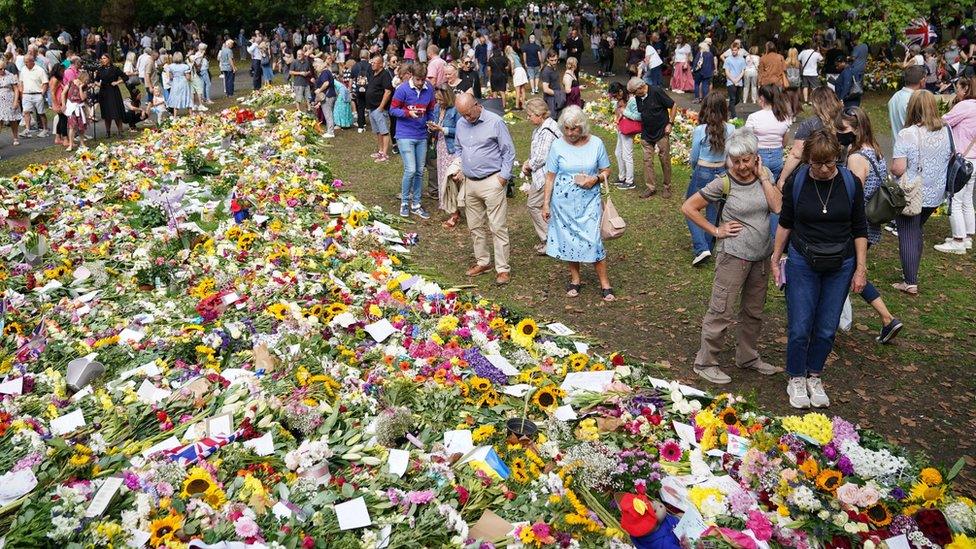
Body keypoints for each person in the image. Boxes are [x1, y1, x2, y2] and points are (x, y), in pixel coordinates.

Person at [772, 129, 868, 409]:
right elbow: (786, 222)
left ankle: (814, 374)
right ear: (807, 160)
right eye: (817, 164)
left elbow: (859, 228)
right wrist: (776, 257)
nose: (824, 169)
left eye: (830, 163)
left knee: (827, 327)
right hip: (803, 260)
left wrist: (860, 268)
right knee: (801, 324)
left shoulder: (850, 183)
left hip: (841, 263)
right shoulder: (797, 182)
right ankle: (796, 376)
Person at [682, 128, 783, 384]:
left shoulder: (765, 175)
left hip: (760, 256)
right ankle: (705, 362)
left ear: (755, 156)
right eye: (735, 161)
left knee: (753, 311)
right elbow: (689, 207)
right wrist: (716, 230)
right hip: (733, 257)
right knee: (721, 310)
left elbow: (777, 206)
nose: (741, 166)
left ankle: (747, 357)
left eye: (746, 160)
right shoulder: (723, 182)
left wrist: (763, 178)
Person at [835, 107, 904, 342]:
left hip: (857, 227)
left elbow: (853, 196)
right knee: (850, 272)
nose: (838, 133)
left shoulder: (856, 158)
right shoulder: (875, 151)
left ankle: (887, 318)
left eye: (842, 129)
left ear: (856, 129)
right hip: (870, 225)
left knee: (849, 272)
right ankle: (885, 320)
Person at [540, 105, 615, 301]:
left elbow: (606, 170)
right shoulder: (557, 145)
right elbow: (550, 177)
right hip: (563, 204)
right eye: (566, 128)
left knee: (593, 241)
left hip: (589, 201)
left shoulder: (596, 143)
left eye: (574, 128)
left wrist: (596, 179)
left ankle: (605, 283)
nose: (570, 133)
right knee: (569, 240)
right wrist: (546, 203)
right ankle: (575, 279)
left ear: (582, 126)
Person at [890, 90, 951, 295]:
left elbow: (898, 168)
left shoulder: (907, 134)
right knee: (916, 231)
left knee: (907, 233)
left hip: (912, 192)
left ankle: (910, 281)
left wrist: (891, 170)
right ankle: (911, 274)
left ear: (912, 108)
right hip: (935, 192)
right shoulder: (946, 129)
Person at [452, 93, 516, 285]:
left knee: (497, 226)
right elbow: (458, 147)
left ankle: (503, 269)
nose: (466, 118)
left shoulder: (495, 122)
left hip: (492, 181)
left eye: (468, 114)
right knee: (474, 226)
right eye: (462, 115)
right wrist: (460, 166)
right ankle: (483, 262)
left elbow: (508, 151)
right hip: (470, 182)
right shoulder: (461, 124)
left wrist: (503, 178)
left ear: (476, 105)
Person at [685, 92, 735, 266]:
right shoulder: (731, 129)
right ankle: (708, 244)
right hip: (721, 172)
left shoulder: (700, 130)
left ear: (705, 108)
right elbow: (730, 153)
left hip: (703, 170)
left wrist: (694, 169)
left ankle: (701, 247)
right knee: (713, 210)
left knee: (690, 207)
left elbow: (694, 156)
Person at [390, 62, 435, 219]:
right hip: (404, 134)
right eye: (418, 79)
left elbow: (430, 110)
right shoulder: (402, 89)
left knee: (419, 170)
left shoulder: (429, 89)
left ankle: (416, 203)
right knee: (410, 169)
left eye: (423, 79)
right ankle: (404, 202)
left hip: (421, 135)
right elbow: (393, 110)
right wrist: (408, 113)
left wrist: (431, 121)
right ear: (411, 76)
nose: (421, 83)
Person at [937, 77, 976, 254]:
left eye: (957, 89)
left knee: (955, 199)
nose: (956, 92)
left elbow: (943, 121)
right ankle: (967, 237)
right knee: (967, 199)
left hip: (962, 159)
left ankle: (958, 240)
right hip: (973, 160)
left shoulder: (965, 106)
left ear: (966, 88)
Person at [778, 86, 842, 189]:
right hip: (840, 171)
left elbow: (796, 154)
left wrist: (782, 179)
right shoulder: (845, 121)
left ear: (816, 103)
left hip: (815, 173)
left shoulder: (809, 124)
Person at [522, 97, 562, 253]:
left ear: (539, 114)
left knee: (533, 205)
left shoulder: (547, 130)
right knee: (547, 206)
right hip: (545, 174)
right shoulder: (544, 126)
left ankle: (549, 239)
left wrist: (528, 165)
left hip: (547, 176)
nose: (528, 117)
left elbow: (541, 157)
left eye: (530, 114)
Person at [633, 77, 676, 198]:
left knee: (664, 159)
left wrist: (670, 124)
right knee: (647, 161)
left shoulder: (656, 91)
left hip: (661, 131)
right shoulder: (638, 97)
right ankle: (651, 187)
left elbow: (673, 105)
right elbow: (642, 112)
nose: (634, 95)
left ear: (641, 87)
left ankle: (667, 187)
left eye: (635, 92)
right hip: (647, 133)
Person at [429, 84, 461, 228]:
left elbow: (460, 130)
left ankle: (455, 212)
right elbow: (436, 125)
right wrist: (432, 128)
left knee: (451, 179)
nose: (438, 102)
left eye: (441, 100)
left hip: (452, 148)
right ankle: (450, 207)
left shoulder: (455, 110)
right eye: (437, 99)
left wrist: (443, 129)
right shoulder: (437, 108)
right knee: (443, 178)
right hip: (440, 146)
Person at [365, 53, 395, 163]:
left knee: (384, 131)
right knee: (378, 131)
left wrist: (381, 107)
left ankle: (385, 154)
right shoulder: (374, 73)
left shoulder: (385, 74)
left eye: (375, 63)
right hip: (372, 108)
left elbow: (388, 92)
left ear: (381, 64)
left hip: (379, 108)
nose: (372, 64)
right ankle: (380, 150)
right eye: (371, 62)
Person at [613, 81, 640, 190]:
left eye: (615, 95)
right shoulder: (620, 100)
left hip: (628, 129)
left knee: (627, 154)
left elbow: (638, 117)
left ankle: (630, 181)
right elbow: (617, 112)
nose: (614, 98)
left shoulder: (632, 100)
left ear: (620, 91)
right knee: (618, 153)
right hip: (621, 128)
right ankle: (622, 177)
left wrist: (624, 112)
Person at [888, 65, 926, 138]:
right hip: (912, 145)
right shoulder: (915, 100)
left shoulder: (895, 97)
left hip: (897, 144)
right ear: (922, 81)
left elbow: (891, 124)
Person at [94, 53, 125, 135]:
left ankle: (120, 131)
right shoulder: (100, 69)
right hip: (104, 92)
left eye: (104, 58)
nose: (102, 60)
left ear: (108, 59)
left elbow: (125, 77)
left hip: (113, 91)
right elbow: (96, 80)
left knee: (116, 112)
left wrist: (117, 82)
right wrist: (97, 84)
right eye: (101, 58)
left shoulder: (115, 68)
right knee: (106, 113)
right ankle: (108, 132)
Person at [18, 54, 47, 138]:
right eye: (25, 62)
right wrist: (22, 92)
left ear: (32, 61)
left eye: (27, 62)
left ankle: (45, 129)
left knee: (41, 113)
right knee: (26, 112)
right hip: (26, 94)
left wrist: (42, 94)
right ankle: (27, 130)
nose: (25, 64)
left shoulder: (40, 70)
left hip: (37, 94)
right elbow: (21, 82)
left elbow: (45, 82)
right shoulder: (23, 69)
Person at [62, 69, 89, 151]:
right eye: (87, 79)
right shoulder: (70, 82)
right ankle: (70, 144)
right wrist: (63, 104)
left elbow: (83, 98)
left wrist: (80, 88)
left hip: (80, 107)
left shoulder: (84, 87)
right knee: (72, 127)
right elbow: (63, 93)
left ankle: (82, 143)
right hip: (72, 107)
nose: (87, 81)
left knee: (81, 127)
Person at [313, 58, 337, 137]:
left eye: (315, 67)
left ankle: (330, 132)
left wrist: (319, 90)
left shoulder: (324, 73)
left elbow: (326, 83)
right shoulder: (327, 72)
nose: (315, 69)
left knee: (328, 114)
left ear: (319, 65)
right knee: (329, 113)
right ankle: (330, 130)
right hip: (331, 95)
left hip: (327, 96)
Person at [0, 64, 21, 151]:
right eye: (0, 69)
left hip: (10, 99)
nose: (2, 70)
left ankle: (15, 138)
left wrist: (16, 101)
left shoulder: (10, 75)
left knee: (13, 120)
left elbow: (16, 89)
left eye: (3, 68)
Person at [165, 52, 193, 116]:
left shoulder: (171, 66)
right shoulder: (185, 66)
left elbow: (171, 77)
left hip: (175, 83)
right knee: (187, 96)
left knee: (176, 98)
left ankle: (175, 116)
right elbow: (188, 77)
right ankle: (191, 114)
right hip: (183, 83)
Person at [724, 41, 745, 119]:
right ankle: (734, 116)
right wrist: (733, 80)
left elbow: (743, 71)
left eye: (735, 50)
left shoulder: (742, 59)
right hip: (730, 81)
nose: (734, 52)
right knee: (732, 99)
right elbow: (727, 71)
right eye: (732, 50)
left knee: (738, 99)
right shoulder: (728, 60)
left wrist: (737, 79)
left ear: (738, 50)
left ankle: (728, 109)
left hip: (739, 81)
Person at [540, 51, 562, 119]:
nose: (554, 62)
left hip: (556, 98)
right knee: (552, 119)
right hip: (550, 100)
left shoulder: (554, 67)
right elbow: (545, 89)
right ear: (547, 59)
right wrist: (558, 93)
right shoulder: (546, 71)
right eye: (552, 60)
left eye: (555, 60)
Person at [49, 63, 67, 146]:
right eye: (62, 71)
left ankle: (58, 137)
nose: (63, 72)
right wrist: (56, 104)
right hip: (58, 102)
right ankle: (65, 138)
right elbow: (52, 93)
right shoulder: (55, 79)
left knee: (61, 119)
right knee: (63, 120)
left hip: (60, 101)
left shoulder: (59, 79)